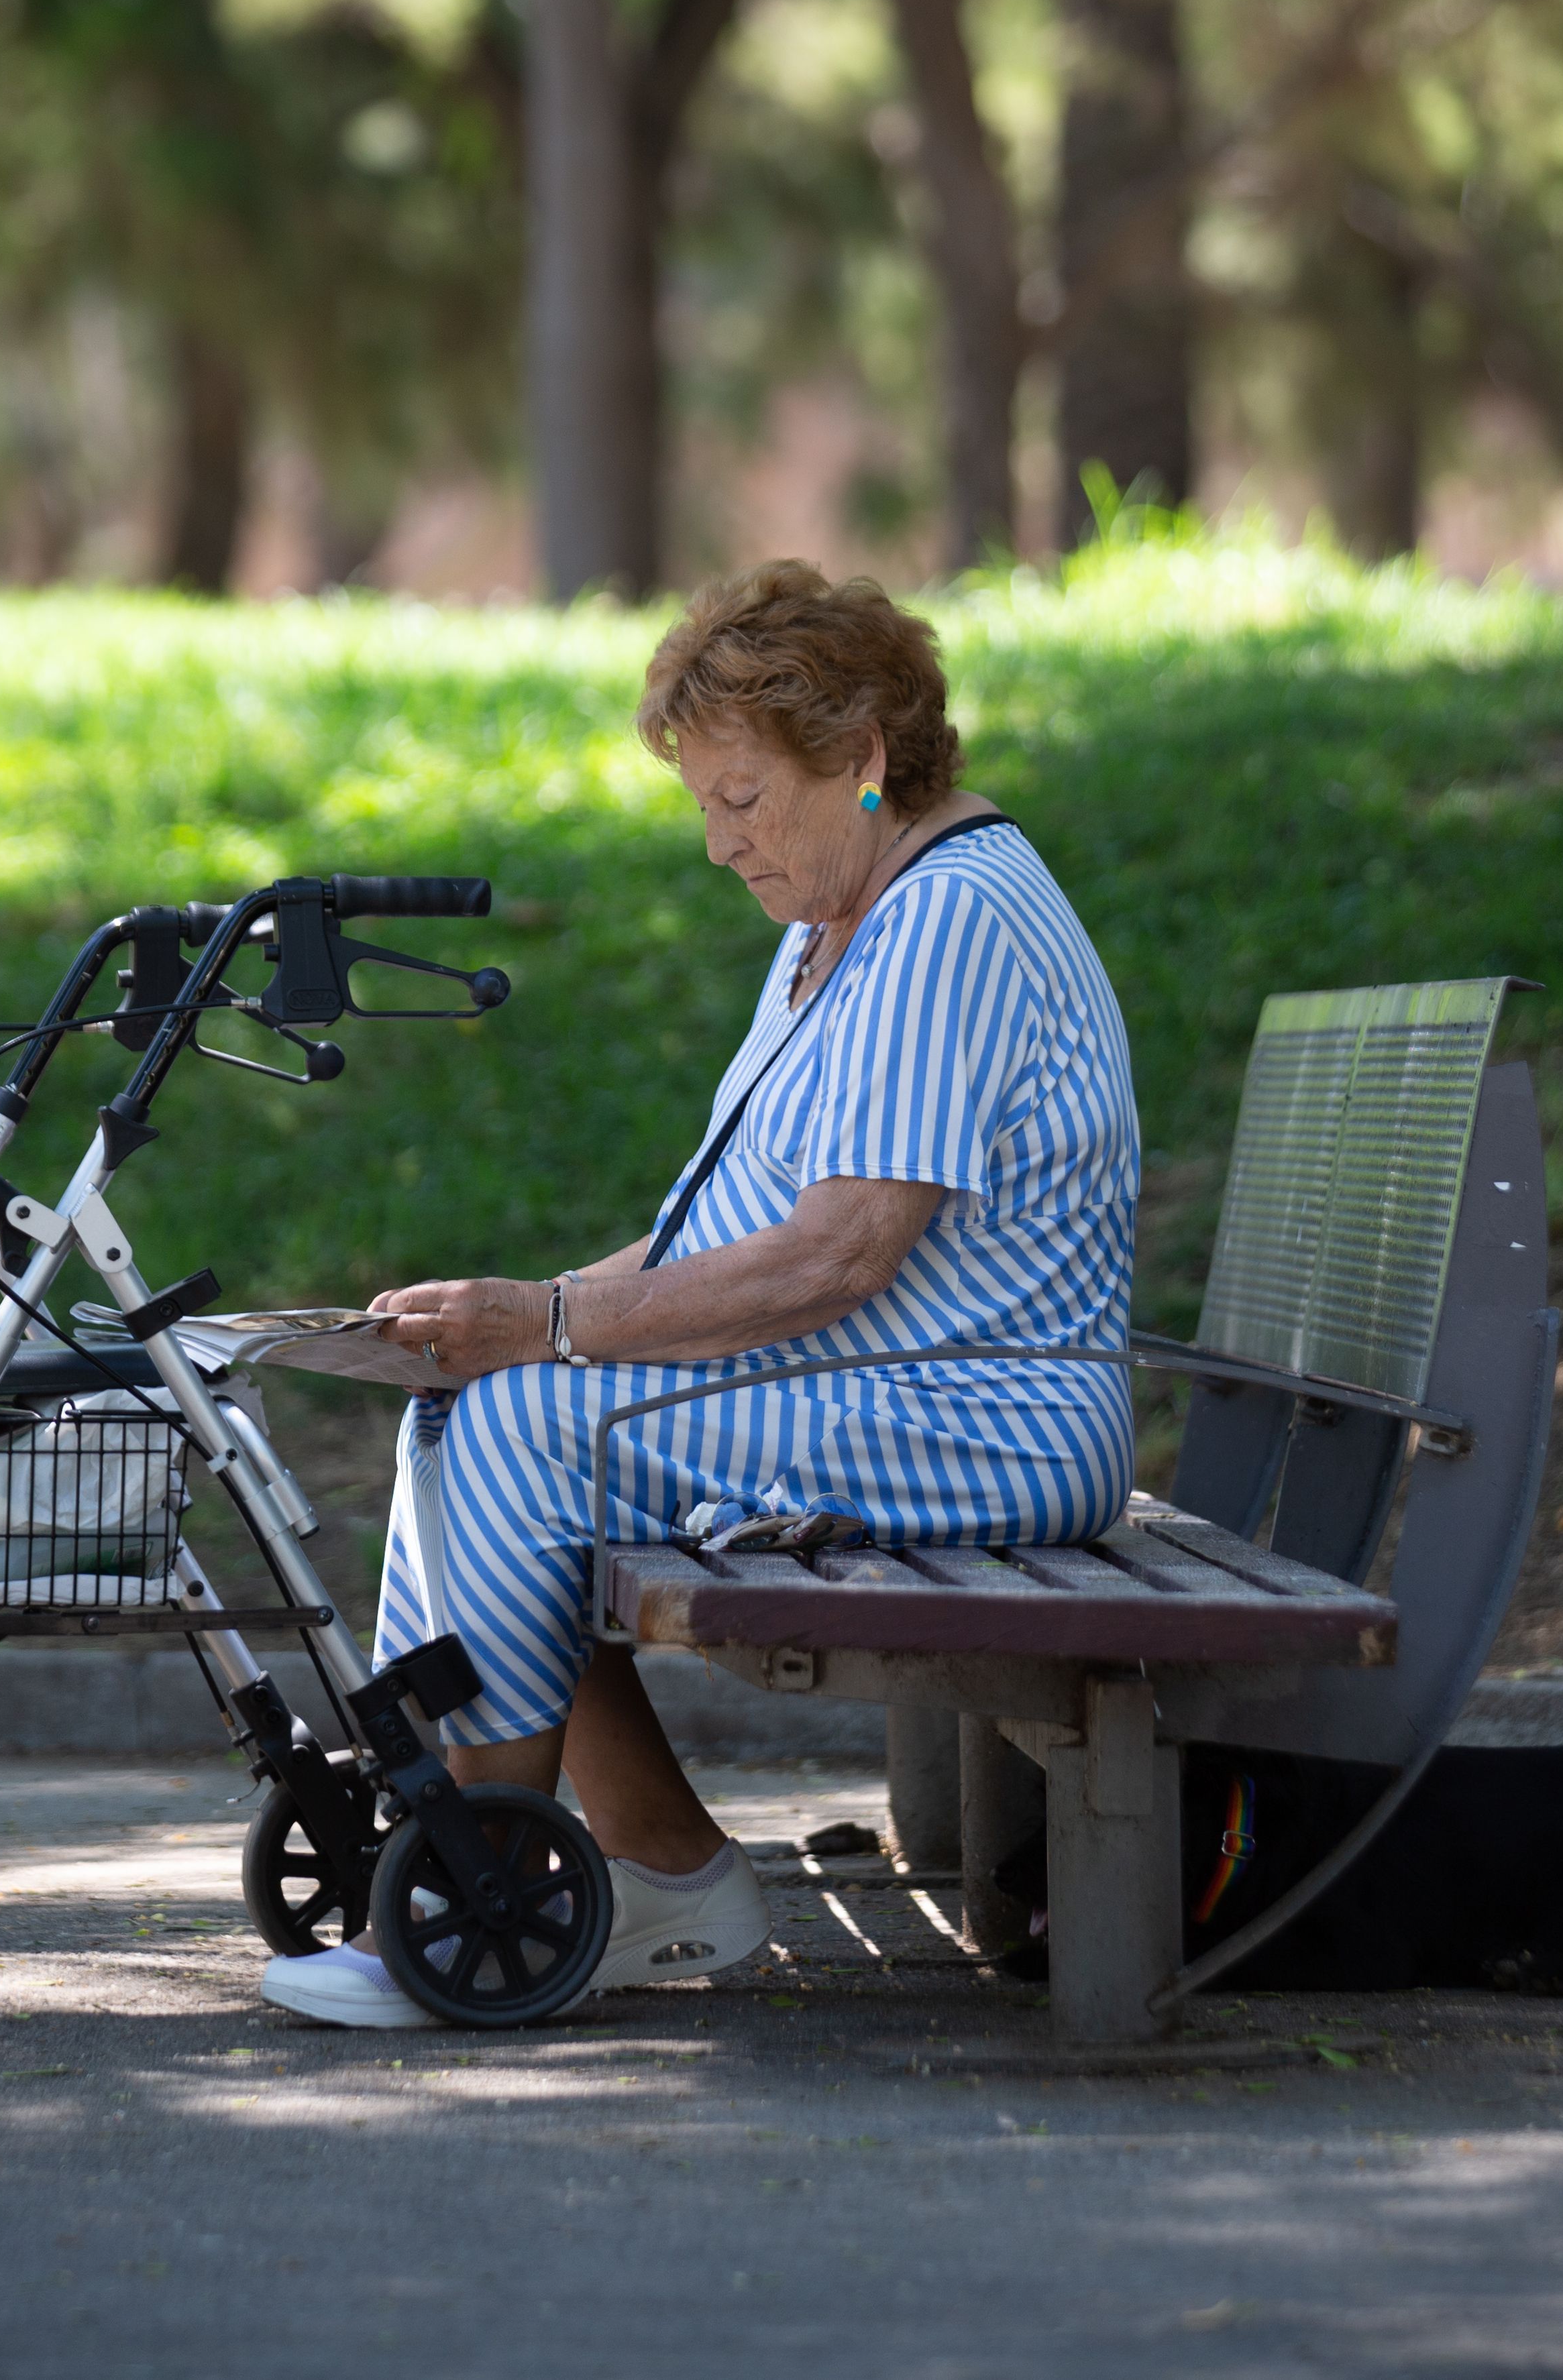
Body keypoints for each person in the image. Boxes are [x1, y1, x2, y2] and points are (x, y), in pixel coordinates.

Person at [259, 560, 1142, 2029]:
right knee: (477, 1410)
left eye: (744, 800)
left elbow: (835, 1257)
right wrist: (498, 1315)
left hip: (984, 1414)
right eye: (703, 805)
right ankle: (650, 1869)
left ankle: (476, 1895)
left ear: (861, 762)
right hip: (884, 1387)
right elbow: (710, 1230)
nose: (720, 846)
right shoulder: (835, 926)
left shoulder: (951, 920)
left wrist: (541, 1329)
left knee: (525, 1431)